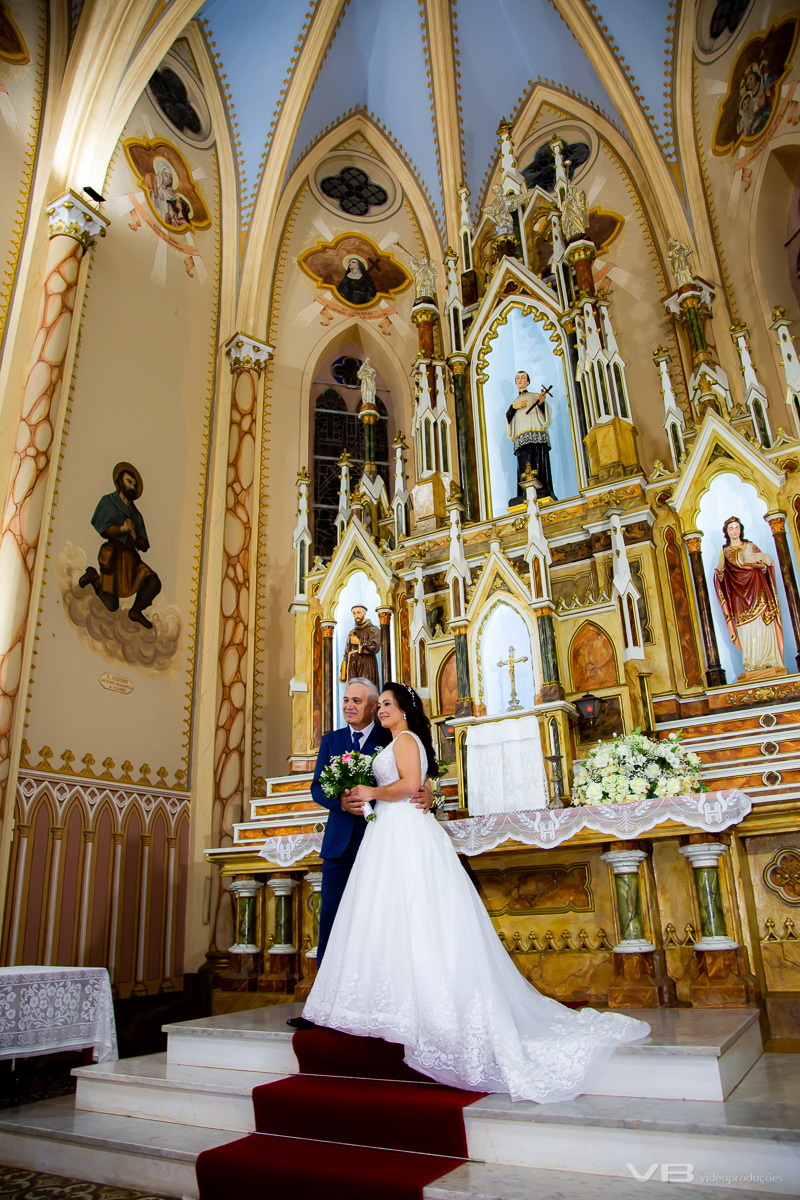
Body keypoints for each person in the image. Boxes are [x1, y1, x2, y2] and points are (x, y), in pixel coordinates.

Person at [303, 681, 649, 1103]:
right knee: (372, 919)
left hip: (398, 833)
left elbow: (411, 778)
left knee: (417, 913)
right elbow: (331, 785)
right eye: (353, 702)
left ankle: (422, 1005)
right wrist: (358, 795)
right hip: (372, 836)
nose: (367, 710)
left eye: (377, 704)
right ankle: (369, 1003)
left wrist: (402, 791)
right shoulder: (346, 740)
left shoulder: (397, 736)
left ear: (391, 706)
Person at [79, 463, 162, 629]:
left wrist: (134, 536)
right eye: (129, 481)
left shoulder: (135, 514)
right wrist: (121, 529)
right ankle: (93, 577)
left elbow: (144, 545)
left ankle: (136, 611)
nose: (132, 486)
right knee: (111, 606)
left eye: (134, 484)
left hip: (131, 560)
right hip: (114, 556)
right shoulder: (108, 502)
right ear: (119, 482)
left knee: (153, 582)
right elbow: (103, 529)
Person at [713, 515, 784, 675]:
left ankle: (769, 661)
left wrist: (761, 567)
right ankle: (751, 662)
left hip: (758, 590)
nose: (734, 531)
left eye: (737, 527)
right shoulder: (725, 553)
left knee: (763, 625)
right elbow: (723, 577)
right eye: (731, 528)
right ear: (726, 531)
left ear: (741, 529)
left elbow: (766, 568)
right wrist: (720, 575)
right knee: (746, 629)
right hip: (738, 595)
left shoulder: (751, 546)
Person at [505, 370, 556, 506]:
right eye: (518, 378)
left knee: (539, 464)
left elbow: (545, 417)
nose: (520, 380)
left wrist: (540, 403)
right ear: (516, 382)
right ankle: (524, 493)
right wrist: (512, 408)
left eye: (523, 378)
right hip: (522, 440)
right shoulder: (513, 403)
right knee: (524, 467)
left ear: (528, 381)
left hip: (537, 437)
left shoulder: (535, 396)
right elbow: (508, 422)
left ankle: (542, 488)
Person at [340, 604, 380, 685]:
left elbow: (375, 646)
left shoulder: (373, 629)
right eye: (354, 613)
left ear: (364, 613)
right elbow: (347, 652)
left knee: (365, 688)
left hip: (366, 665)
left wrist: (359, 642)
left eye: (358, 612)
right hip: (352, 666)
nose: (356, 615)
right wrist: (343, 670)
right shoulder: (352, 632)